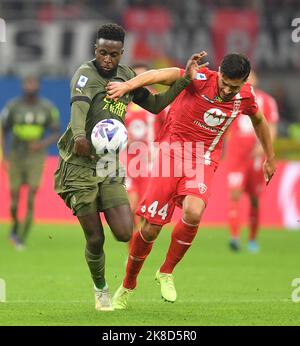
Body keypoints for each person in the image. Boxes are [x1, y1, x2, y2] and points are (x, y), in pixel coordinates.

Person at [54, 23, 208, 311]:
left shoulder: (127, 77)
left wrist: (184, 80)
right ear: (95, 51)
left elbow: (156, 104)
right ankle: (101, 288)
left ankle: (123, 267)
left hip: (109, 166)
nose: (107, 59)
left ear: (121, 53)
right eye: (102, 53)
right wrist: (78, 136)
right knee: (96, 237)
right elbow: (79, 108)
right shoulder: (85, 75)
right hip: (79, 165)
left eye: (113, 54)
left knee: (125, 232)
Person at [106, 53, 276, 309]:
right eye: (225, 83)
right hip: (170, 154)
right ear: (219, 74)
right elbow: (161, 75)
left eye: (235, 86)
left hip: (203, 158)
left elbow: (259, 121)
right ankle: (129, 283)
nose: (229, 90)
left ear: (243, 83)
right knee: (151, 228)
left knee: (194, 212)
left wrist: (269, 157)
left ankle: (166, 271)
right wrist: (128, 85)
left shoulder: (246, 97)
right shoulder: (200, 78)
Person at [1, 76, 60, 249]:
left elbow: (56, 131)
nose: (30, 86)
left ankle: (21, 237)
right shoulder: (13, 107)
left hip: (35, 157)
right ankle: (15, 226)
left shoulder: (47, 107)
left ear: (38, 86)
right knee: (14, 199)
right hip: (16, 155)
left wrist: (41, 144)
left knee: (31, 197)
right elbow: (3, 129)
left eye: (33, 83)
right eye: (27, 83)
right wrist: (4, 155)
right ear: (23, 86)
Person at [224, 71, 279, 252]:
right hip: (236, 155)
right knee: (234, 194)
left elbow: (271, 127)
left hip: (256, 157)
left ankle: (253, 239)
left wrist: (265, 149)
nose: (248, 80)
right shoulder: (231, 98)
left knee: (255, 199)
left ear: (256, 79)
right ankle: (234, 237)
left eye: (250, 77)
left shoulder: (267, 101)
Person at [121, 62, 167, 248]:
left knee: (144, 210)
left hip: (150, 163)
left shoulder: (157, 102)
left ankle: (139, 249)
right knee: (130, 208)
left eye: (144, 76)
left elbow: (168, 126)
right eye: (137, 76)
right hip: (127, 162)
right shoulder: (121, 102)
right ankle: (132, 250)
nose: (141, 80)